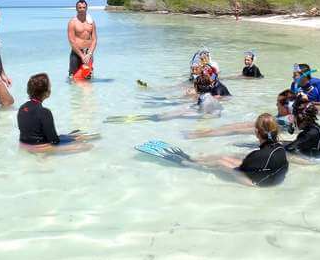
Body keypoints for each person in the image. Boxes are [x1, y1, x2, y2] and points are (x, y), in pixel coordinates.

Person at [136, 114, 288, 187]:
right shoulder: (279, 147)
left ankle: (190, 163)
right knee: (226, 157)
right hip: (268, 174)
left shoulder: (259, 154)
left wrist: (219, 164)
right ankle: (196, 158)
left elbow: (242, 168)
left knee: (222, 163)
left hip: (258, 183)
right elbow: (252, 163)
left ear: (256, 132)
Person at [18, 73, 99, 153]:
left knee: (73, 134)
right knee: (86, 145)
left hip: (24, 144)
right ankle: (95, 136)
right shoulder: (44, 112)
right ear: (47, 93)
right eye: (50, 87)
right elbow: (54, 141)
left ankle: (81, 136)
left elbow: (31, 132)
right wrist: (71, 141)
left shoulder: (22, 108)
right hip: (40, 147)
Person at [183, 89, 296, 139]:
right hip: (267, 124)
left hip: (269, 128)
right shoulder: (285, 114)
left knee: (235, 130)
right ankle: (202, 132)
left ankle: (197, 136)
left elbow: (289, 128)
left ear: (287, 106)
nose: (276, 105)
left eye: (278, 103)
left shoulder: (289, 118)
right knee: (236, 125)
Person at [67, 0, 97, 79]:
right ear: (76, 9)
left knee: (88, 78)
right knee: (74, 78)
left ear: (87, 8)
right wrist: (82, 56)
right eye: (79, 7)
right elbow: (71, 41)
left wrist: (89, 54)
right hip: (76, 54)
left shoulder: (91, 22)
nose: (82, 9)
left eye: (84, 7)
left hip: (88, 53)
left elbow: (94, 39)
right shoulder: (72, 22)